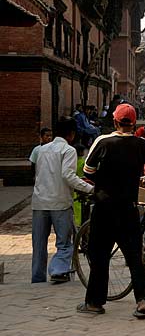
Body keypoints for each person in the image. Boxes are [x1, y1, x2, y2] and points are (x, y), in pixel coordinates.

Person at [78, 104, 145, 318]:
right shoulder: (141, 144)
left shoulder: (102, 141)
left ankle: (95, 302)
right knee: (134, 256)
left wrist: (104, 183)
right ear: (133, 123)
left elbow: (88, 171)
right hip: (128, 207)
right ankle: (142, 300)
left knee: (99, 256)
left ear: (115, 122)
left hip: (104, 207)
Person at [30, 117, 94, 284]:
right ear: (72, 134)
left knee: (38, 245)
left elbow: (40, 174)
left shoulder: (42, 150)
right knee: (64, 243)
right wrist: (89, 189)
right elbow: (68, 176)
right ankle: (58, 270)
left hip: (39, 201)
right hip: (59, 202)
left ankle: (37, 279)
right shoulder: (68, 150)